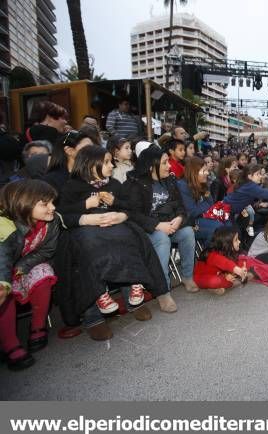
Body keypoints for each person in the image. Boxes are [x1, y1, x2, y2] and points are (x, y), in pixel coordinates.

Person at [55, 146, 169, 338]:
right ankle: (96, 308)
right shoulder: (72, 186)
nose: (111, 165)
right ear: (91, 165)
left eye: (110, 161)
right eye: (106, 162)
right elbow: (62, 215)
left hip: (114, 225)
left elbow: (132, 208)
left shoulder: (114, 184)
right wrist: (85, 209)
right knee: (88, 248)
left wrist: (119, 210)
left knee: (129, 238)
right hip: (84, 230)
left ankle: (134, 291)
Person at [125, 146, 198, 309]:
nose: (169, 166)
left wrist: (179, 218)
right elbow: (133, 214)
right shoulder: (135, 183)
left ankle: (187, 276)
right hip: (147, 230)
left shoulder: (169, 181)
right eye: (165, 163)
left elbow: (180, 206)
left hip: (170, 224)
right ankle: (163, 291)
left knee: (187, 232)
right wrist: (157, 225)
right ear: (152, 166)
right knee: (162, 239)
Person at [0, 180, 59, 370]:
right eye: (45, 203)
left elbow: (46, 251)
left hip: (22, 266)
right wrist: (6, 279)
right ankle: (10, 344)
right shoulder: (6, 225)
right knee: (3, 289)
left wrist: (23, 267)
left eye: (52, 202)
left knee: (43, 272)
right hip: (3, 270)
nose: (52, 207)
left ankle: (38, 327)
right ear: (23, 203)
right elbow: (2, 257)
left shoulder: (52, 222)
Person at [193, 226, 268, 295]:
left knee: (246, 260)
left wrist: (228, 274)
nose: (239, 241)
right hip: (203, 278)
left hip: (222, 274)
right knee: (215, 281)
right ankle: (229, 282)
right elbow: (224, 263)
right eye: (236, 240)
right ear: (227, 243)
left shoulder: (228, 252)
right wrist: (237, 271)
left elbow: (228, 265)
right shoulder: (212, 255)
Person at [176, 157, 222, 245]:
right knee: (218, 229)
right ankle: (207, 255)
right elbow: (192, 211)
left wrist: (205, 201)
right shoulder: (183, 186)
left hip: (200, 218)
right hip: (189, 222)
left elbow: (210, 203)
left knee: (226, 223)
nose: (207, 173)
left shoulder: (202, 183)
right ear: (195, 172)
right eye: (204, 171)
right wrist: (205, 204)